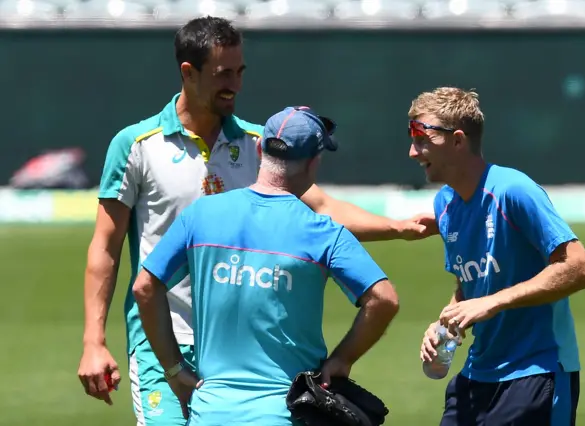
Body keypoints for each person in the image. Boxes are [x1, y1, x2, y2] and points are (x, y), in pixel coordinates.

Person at [77, 16, 434, 426]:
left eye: (240, 71)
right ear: (188, 73)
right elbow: (106, 247)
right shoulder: (136, 145)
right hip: (162, 333)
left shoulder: (256, 144)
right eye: (223, 73)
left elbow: (320, 208)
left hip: (240, 345)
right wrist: (93, 341)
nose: (236, 83)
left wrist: (398, 229)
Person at [132, 106, 399, 425]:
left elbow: (144, 287)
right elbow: (384, 299)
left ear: (260, 150)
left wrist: (174, 368)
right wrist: (342, 359)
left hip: (209, 413)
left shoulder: (200, 214)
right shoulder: (323, 232)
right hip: (285, 414)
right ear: (314, 163)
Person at [410, 87, 585, 426]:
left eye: (422, 139)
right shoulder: (445, 205)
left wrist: (493, 302)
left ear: (457, 140)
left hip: (537, 372)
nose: (412, 151)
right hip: (476, 376)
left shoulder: (513, 190)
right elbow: (470, 285)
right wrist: (444, 326)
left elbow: (579, 267)